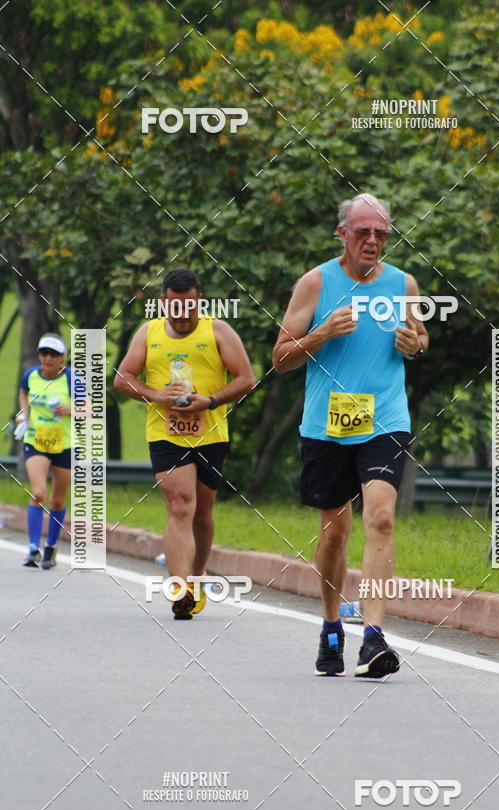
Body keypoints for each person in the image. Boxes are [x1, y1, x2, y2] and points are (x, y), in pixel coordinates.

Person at [273, 193, 429, 678]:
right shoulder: (316, 283)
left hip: (385, 419)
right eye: (363, 231)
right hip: (328, 423)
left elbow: (420, 338)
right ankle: (331, 626)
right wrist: (321, 333)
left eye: (381, 233)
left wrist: (415, 344)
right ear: (342, 233)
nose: (373, 240)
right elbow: (280, 358)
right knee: (335, 533)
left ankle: (374, 636)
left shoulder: (403, 283)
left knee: (380, 518)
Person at [114, 268, 254, 620]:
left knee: (202, 514)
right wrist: (155, 395)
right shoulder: (149, 333)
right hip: (166, 433)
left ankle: (196, 575)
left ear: (199, 302)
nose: (181, 312)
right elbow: (122, 378)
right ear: (163, 302)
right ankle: (181, 590)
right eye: (174, 305)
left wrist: (210, 401)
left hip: (210, 434)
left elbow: (246, 379)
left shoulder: (218, 331)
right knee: (180, 505)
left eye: (188, 305)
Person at [18, 334, 75, 568]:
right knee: (39, 493)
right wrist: (25, 415)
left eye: (54, 354)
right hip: (36, 440)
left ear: (62, 358)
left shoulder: (71, 378)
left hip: (64, 444)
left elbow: (90, 408)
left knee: (57, 501)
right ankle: (33, 548)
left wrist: (69, 410)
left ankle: (50, 546)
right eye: (44, 353)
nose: (48, 358)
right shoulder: (31, 375)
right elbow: (23, 392)